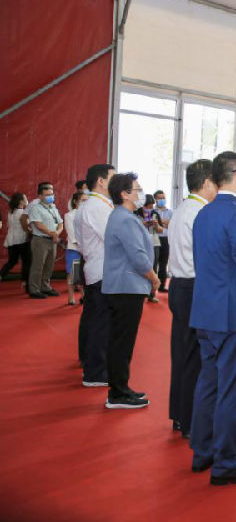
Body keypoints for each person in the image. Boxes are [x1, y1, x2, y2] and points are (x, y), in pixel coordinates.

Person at [189, 151, 236, 485]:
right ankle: (225, 463)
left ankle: (202, 451)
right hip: (234, 318)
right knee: (232, 391)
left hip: (206, 313)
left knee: (208, 386)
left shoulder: (203, 214)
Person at [167, 159, 217, 439]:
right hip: (194, 286)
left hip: (180, 285)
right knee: (194, 356)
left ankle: (180, 413)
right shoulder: (200, 213)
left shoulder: (182, 209)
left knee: (182, 353)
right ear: (207, 182)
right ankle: (189, 419)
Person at [102, 173, 158, 409]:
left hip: (124, 286)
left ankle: (120, 388)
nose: (140, 194)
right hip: (126, 286)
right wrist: (153, 277)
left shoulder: (122, 216)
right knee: (122, 342)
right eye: (137, 190)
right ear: (124, 194)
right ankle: (118, 392)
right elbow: (137, 256)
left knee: (121, 340)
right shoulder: (125, 219)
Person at [75, 163, 116, 385]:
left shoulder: (90, 205)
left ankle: (88, 360)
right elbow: (113, 237)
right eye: (113, 178)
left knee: (92, 319)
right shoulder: (97, 207)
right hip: (102, 269)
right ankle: (96, 372)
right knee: (101, 323)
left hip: (95, 266)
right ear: (101, 181)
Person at [27, 182, 63, 299]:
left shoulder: (53, 207)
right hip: (40, 240)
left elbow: (60, 223)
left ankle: (45, 287)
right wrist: (53, 233)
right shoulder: (35, 208)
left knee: (49, 265)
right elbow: (39, 225)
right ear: (40, 196)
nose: (50, 197)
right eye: (47, 195)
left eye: (51, 194)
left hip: (52, 240)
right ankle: (34, 289)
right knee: (38, 265)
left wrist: (56, 233)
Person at [0, 193, 31, 290]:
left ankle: (1, 274)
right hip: (22, 240)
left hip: (11, 240)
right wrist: (30, 233)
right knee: (26, 262)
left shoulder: (11, 212)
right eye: (25, 198)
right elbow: (25, 226)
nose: (27, 200)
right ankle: (25, 282)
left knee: (12, 261)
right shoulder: (23, 213)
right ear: (21, 201)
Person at [137, 195, 163, 302]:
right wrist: (143, 224)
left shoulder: (155, 214)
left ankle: (151, 294)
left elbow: (161, 230)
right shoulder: (135, 214)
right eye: (147, 206)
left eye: (151, 206)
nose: (149, 209)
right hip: (141, 244)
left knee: (153, 267)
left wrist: (156, 226)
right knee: (141, 267)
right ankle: (141, 293)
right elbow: (133, 228)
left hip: (154, 243)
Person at [64, 192, 88, 305]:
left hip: (87, 249)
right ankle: (71, 297)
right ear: (75, 202)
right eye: (83, 200)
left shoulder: (89, 214)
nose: (86, 202)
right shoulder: (69, 215)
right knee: (73, 274)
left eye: (87, 200)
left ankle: (84, 296)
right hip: (75, 249)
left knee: (84, 274)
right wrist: (83, 246)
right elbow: (72, 235)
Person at [154, 190, 173, 293]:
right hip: (155, 239)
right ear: (155, 199)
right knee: (153, 263)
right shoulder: (152, 211)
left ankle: (162, 286)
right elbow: (153, 225)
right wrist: (165, 223)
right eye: (160, 198)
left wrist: (160, 222)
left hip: (166, 239)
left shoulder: (169, 212)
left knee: (163, 263)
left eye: (163, 198)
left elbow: (173, 224)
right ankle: (151, 288)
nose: (162, 200)